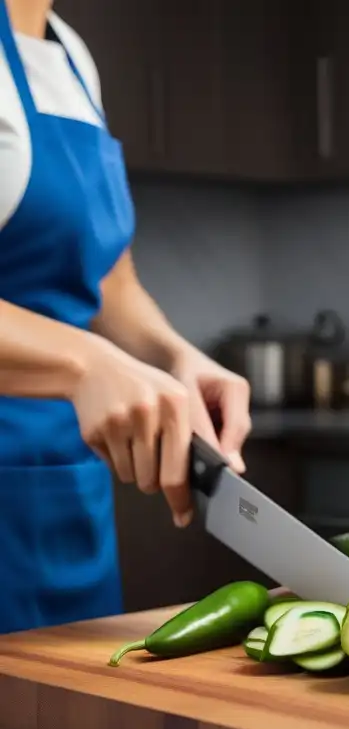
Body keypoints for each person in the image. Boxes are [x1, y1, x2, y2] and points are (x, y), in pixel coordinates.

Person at [0, 0, 253, 634]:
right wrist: (84, 362)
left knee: (76, 718)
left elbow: (110, 276)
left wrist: (172, 353)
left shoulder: (70, 54)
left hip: (58, 481)